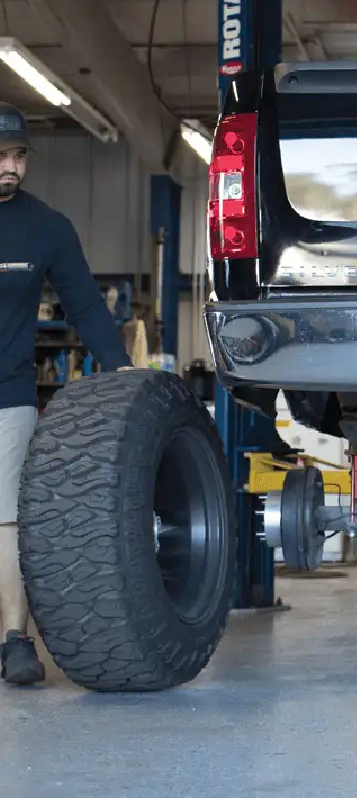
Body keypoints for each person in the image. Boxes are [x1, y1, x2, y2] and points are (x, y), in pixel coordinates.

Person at [0, 103, 134, 685]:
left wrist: (124, 369)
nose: (11, 166)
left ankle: (15, 642)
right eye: (1, 155)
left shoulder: (46, 227)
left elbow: (83, 305)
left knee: (8, 521)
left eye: (19, 156)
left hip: (10, 394)